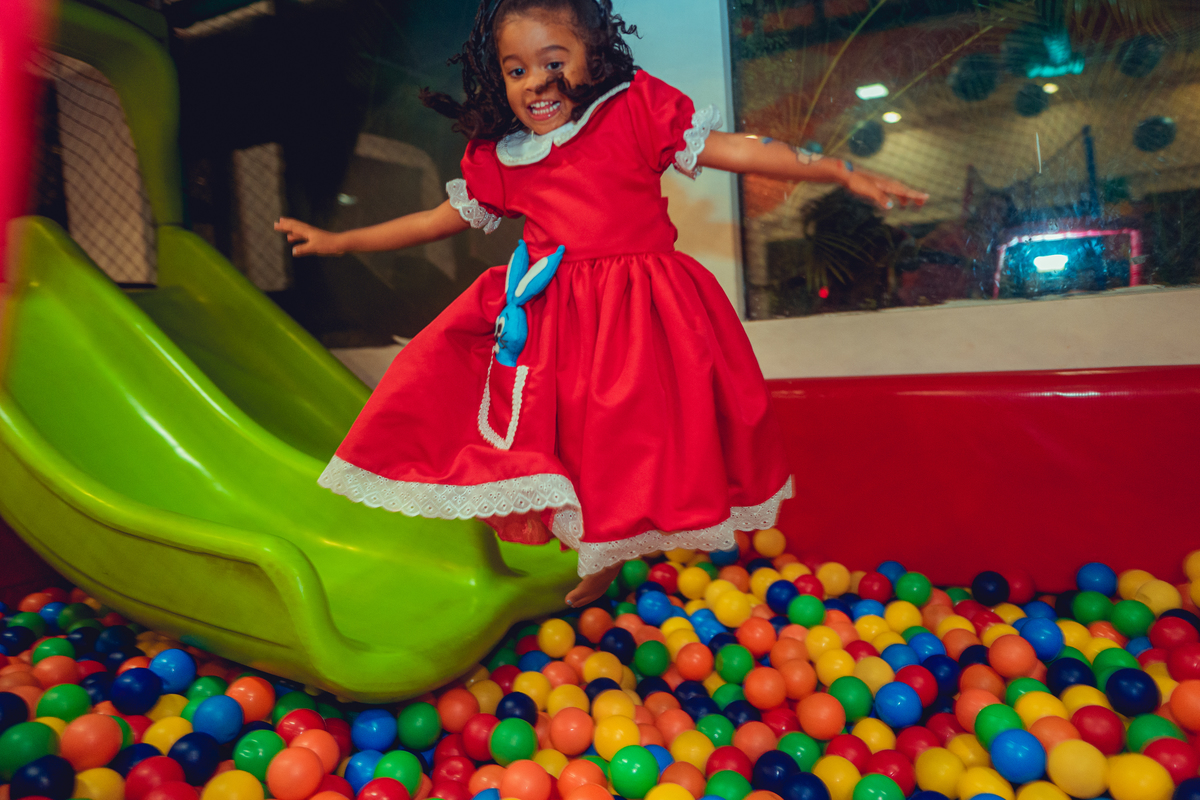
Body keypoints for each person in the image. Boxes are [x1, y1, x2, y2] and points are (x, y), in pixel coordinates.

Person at [275, 0, 927, 607]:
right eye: (516, 69)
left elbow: (738, 149)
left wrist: (836, 169)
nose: (535, 81)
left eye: (553, 62)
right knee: (531, 421)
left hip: (642, 316)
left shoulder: (633, 112)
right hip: (555, 322)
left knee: (636, 437)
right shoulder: (506, 158)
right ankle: (596, 541)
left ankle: (613, 545)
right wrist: (341, 241)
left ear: (594, 58)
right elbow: (435, 220)